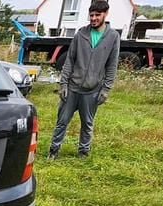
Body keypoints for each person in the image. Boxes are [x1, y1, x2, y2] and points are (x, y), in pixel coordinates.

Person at [48, 0, 120, 159]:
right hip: (73, 88)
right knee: (62, 121)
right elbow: (69, 61)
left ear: (105, 14)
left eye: (97, 15)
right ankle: (53, 150)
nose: (93, 18)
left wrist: (106, 89)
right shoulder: (80, 34)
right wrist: (63, 84)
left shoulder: (113, 37)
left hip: (92, 90)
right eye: (91, 15)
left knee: (87, 124)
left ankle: (83, 152)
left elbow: (112, 65)